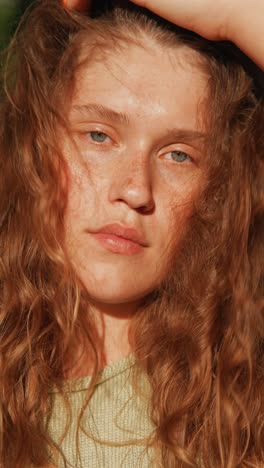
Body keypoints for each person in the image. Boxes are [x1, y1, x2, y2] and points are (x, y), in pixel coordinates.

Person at [0, 0, 263, 467]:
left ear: (221, 188)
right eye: (99, 136)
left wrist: (236, 15)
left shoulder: (240, 389)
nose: (136, 189)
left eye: (178, 155)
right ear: (35, 145)